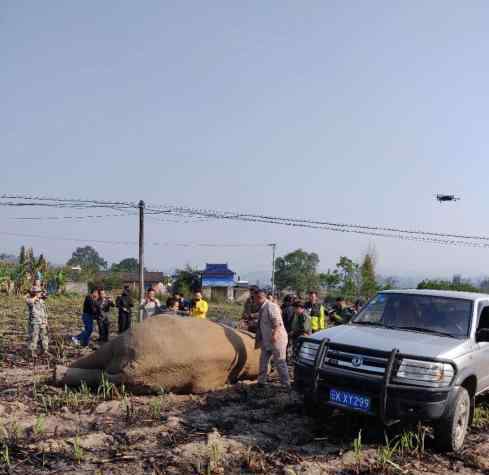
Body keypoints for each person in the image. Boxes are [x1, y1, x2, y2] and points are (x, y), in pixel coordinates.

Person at [254, 289, 290, 388]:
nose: (254, 300)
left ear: (259, 297)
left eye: (254, 298)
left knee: (280, 362)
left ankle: (286, 384)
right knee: (263, 361)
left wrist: (274, 336)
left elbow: (277, 323)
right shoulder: (262, 307)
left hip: (277, 339)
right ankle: (261, 382)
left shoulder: (271, 306)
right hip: (267, 340)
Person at [26, 286, 49, 357]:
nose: (40, 293)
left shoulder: (41, 300)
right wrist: (35, 296)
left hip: (42, 321)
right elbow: (30, 302)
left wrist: (46, 321)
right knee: (34, 337)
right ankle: (31, 352)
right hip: (35, 322)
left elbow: (46, 295)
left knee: (44, 337)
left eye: (40, 292)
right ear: (34, 293)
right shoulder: (30, 300)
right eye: (38, 292)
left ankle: (44, 351)